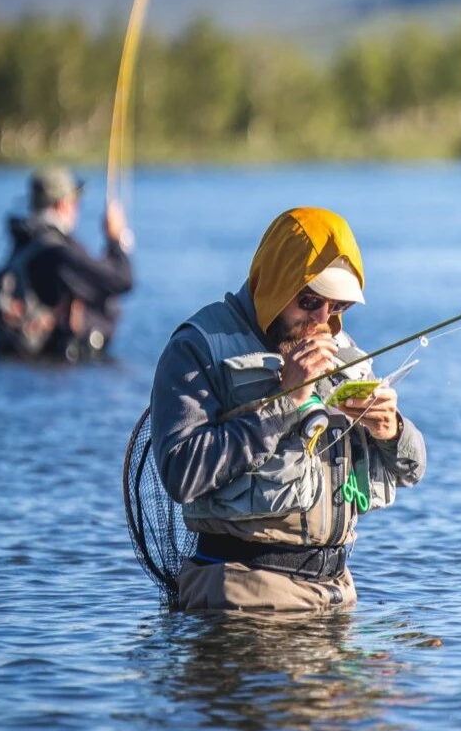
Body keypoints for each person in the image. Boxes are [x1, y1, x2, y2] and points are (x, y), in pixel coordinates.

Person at [148, 206, 426, 613]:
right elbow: (181, 473)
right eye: (310, 301)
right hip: (242, 593)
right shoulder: (196, 347)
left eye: (338, 306)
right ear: (277, 282)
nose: (323, 320)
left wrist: (392, 431)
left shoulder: (342, 349)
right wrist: (287, 401)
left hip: (337, 593)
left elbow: (413, 471)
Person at [0, 166, 134, 362]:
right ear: (63, 204)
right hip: (50, 359)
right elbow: (121, 279)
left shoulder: (26, 240)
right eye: (75, 202)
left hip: (25, 357)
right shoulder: (57, 252)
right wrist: (115, 240)